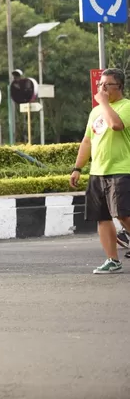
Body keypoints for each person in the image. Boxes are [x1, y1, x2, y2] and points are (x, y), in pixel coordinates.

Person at [70, 68, 130, 272]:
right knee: (102, 217)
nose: (102, 88)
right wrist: (78, 168)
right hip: (98, 172)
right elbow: (87, 140)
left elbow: (116, 125)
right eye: (100, 85)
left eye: (107, 85)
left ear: (119, 86)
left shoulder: (126, 106)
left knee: (124, 215)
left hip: (121, 169)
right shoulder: (95, 112)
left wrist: (103, 102)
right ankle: (113, 260)